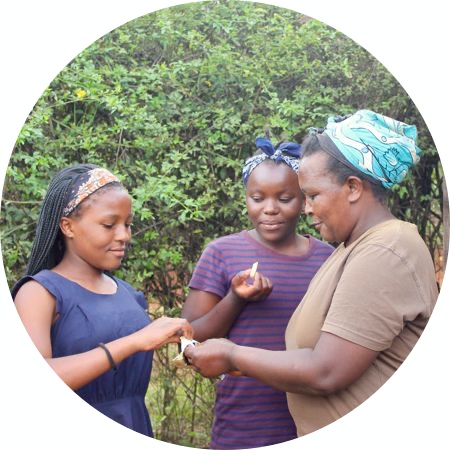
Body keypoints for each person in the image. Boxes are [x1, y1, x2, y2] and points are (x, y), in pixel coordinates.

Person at [184, 110, 439, 437]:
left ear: (353, 188)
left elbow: (326, 372)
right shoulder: (351, 248)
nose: (306, 208)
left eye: (313, 195)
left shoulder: (386, 250)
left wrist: (233, 355)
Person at [12, 164, 193, 437]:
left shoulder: (129, 295)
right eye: (109, 225)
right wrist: (134, 342)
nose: (124, 236)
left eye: (128, 224)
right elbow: (32, 381)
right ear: (68, 226)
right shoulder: (39, 292)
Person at [181, 137, 334, 449]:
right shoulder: (222, 253)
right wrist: (236, 299)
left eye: (284, 198)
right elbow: (188, 339)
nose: (270, 209)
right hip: (242, 425)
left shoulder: (327, 258)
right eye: (257, 198)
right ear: (246, 200)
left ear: (304, 199)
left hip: (315, 420)